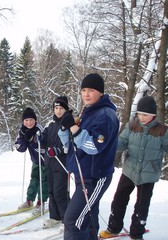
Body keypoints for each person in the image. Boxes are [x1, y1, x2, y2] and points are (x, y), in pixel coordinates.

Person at [58, 73, 119, 240]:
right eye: (83, 90)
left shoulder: (105, 115)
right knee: (87, 218)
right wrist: (65, 129)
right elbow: (72, 143)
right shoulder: (89, 112)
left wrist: (74, 129)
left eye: (91, 90)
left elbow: (93, 146)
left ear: (100, 92)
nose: (86, 94)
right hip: (83, 174)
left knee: (72, 220)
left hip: (94, 176)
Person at [99, 96, 168, 240]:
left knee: (142, 207)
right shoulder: (132, 126)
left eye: (145, 115)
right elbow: (122, 142)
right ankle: (113, 228)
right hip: (129, 170)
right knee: (119, 200)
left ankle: (137, 233)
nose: (141, 117)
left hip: (148, 175)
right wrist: (107, 147)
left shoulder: (163, 131)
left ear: (153, 115)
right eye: (139, 114)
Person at [41, 96, 70, 231]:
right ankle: (55, 217)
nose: (58, 111)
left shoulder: (69, 123)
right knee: (51, 191)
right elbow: (45, 139)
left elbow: (71, 144)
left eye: (61, 108)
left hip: (62, 164)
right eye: (56, 108)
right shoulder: (50, 124)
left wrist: (59, 150)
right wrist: (39, 139)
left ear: (66, 109)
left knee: (60, 193)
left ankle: (66, 219)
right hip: (51, 163)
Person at [15, 107, 48, 215]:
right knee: (34, 179)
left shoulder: (39, 129)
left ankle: (41, 202)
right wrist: (24, 140)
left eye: (31, 120)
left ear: (35, 120)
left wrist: (34, 140)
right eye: (26, 120)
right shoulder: (22, 130)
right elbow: (20, 148)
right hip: (35, 160)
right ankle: (30, 200)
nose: (29, 123)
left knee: (43, 181)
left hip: (44, 161)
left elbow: (44, 144)